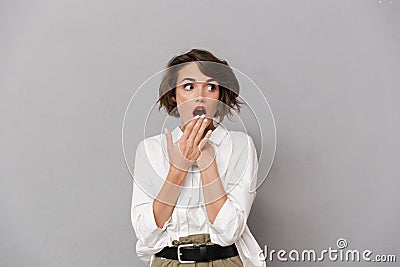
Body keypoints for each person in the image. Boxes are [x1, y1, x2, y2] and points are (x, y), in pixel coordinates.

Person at [131, 48, 266, 267]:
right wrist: (179, 169)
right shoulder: (149, 150)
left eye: (210, 87)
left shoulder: (240, 145)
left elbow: (229, 231)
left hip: (225, 260)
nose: (200, 96)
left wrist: (207, 162)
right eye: (189, 87)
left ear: (220, 95)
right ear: (174, 95)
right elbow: (147, 235)